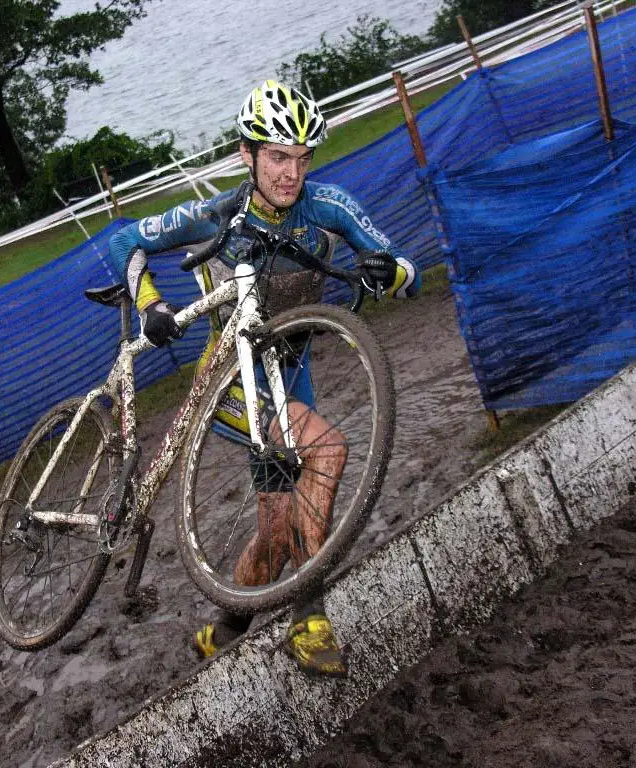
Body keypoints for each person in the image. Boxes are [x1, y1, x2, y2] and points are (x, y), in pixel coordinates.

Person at [108, 79, 421, 677]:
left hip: (291, 381)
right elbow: (128, 239)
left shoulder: (328, 207)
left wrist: (391, 272)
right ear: (246, 155)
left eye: (302, 159)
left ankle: (226, 627)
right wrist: (149, 304)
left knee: (278, 533)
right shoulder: (215, 215)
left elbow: (404, 269)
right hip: (229, 388)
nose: (290, 174)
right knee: (326, 449)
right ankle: (311, 617)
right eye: (278, 157)